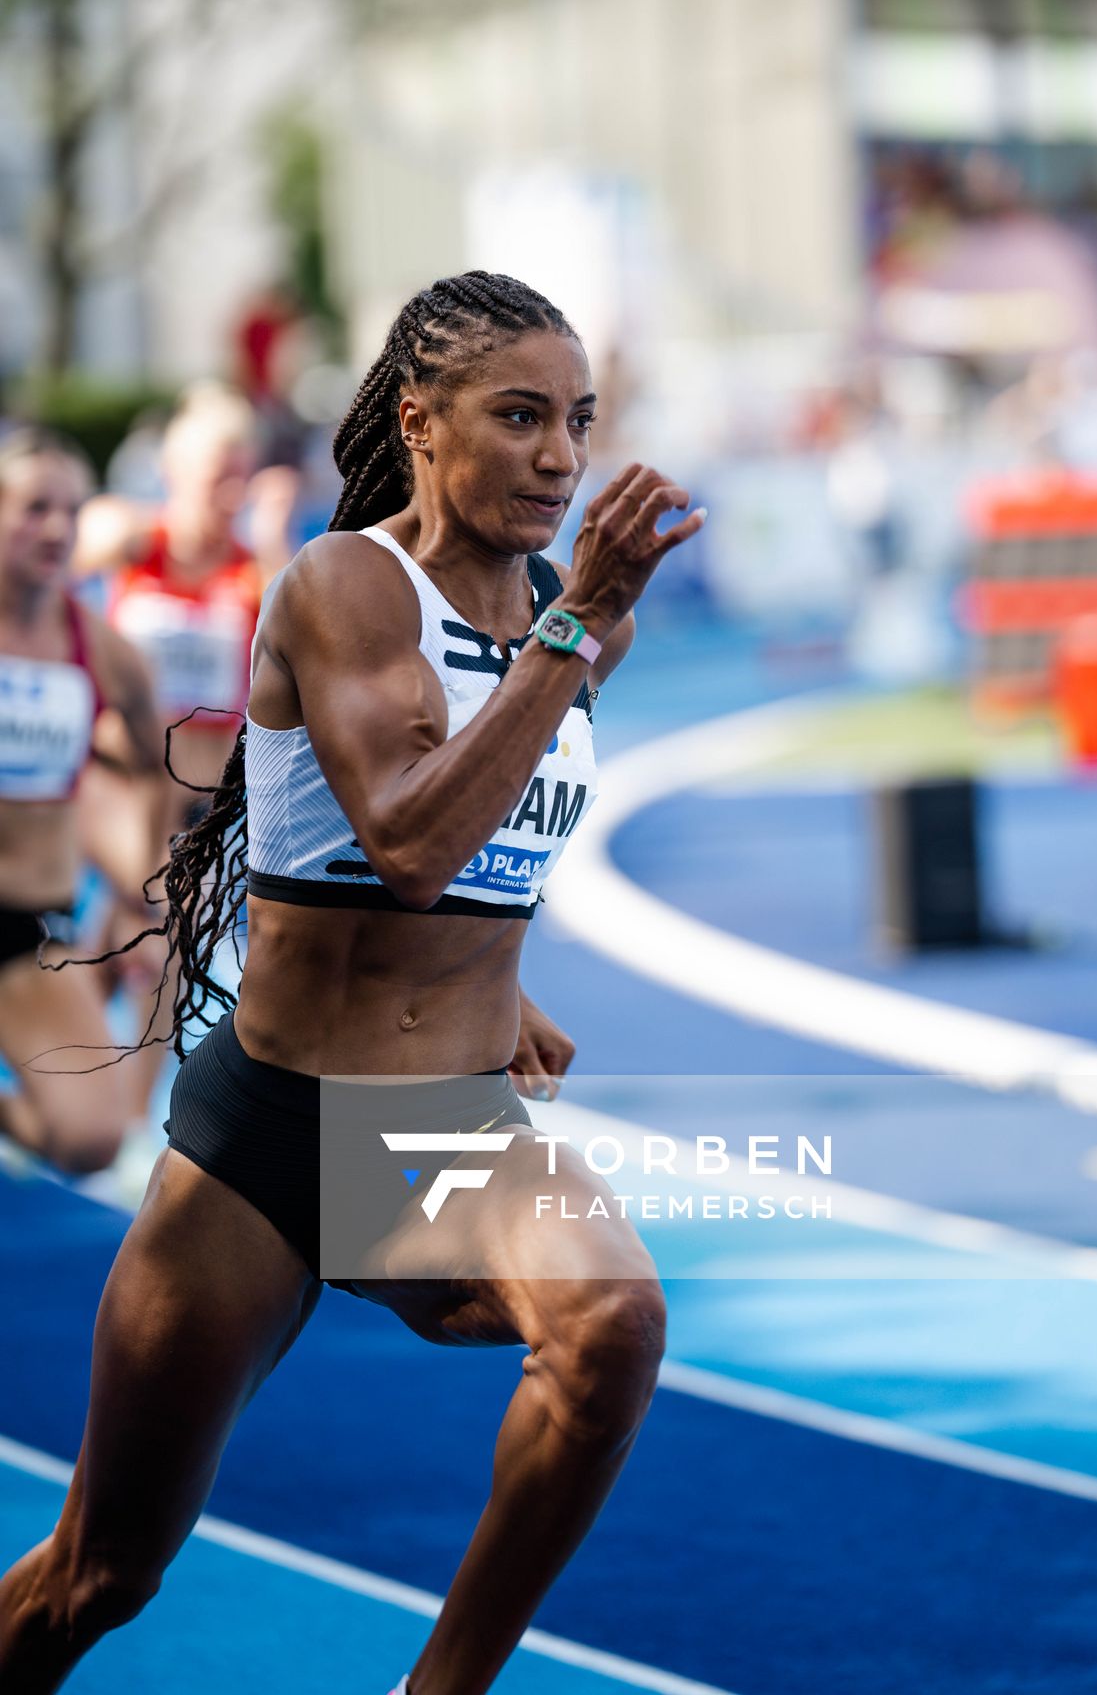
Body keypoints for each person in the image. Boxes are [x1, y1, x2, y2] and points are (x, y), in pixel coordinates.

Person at [0, 271, 705, 1694]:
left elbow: (490, 859)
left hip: (436, 1136)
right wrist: (573, 638)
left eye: (578, 420)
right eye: (520, 417)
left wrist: (495, 1000)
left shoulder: (576, 617)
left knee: (614, 1323)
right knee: (100, 1576)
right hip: (272, 1137)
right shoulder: (343, 587)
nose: (561, 457)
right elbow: (413, 842)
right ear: (422, 424)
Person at [73, 382, 282, 1152]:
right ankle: (107, 1103)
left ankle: (122, 1116)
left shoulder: (253, 572)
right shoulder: (139, 542)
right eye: (215, 472)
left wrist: (266, 544)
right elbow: (74, 538)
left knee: (156, 947)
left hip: (196, 805)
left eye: (242, 473)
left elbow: (309, 638)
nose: (228, 490)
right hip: (113, 789)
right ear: (173, 468)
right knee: (156, 924)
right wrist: (94, 524)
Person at [0, 427, 165, 1177]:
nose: (59, 529)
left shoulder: (99, 649)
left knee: (92, 1141)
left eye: (71, 510)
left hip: (27, 934)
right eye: (36, 508)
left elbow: (161, 760)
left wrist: (152, 880)